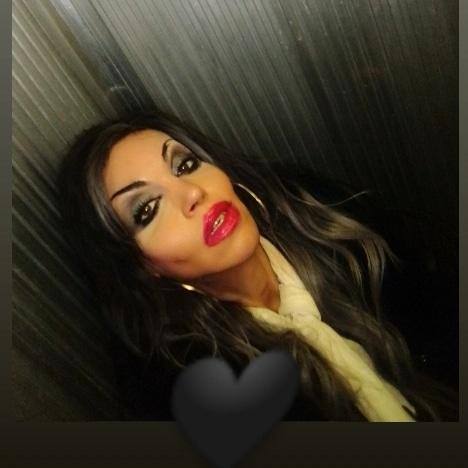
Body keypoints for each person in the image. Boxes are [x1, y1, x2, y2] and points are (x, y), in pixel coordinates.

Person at [57, 110, 458, 422]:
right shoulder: (195, 387)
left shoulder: (312, 212)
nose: (193, 193)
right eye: (147, 208)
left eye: (184, 165)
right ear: (144, 268)